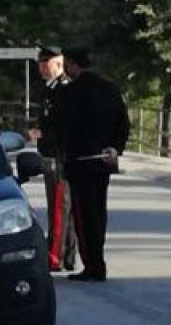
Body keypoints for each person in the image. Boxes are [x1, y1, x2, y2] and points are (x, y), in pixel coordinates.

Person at [55, 47, 130, 282]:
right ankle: (98, 261)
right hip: (104, 161)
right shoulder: (110, 89)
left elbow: (63, 127)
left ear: (72, 64)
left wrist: (60, 154)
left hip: (80, 163)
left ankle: (93, 265)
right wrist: (115, 148)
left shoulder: (70, 93)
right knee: (98, 213)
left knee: (84, 217)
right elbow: (123, 124)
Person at [27, 45, 77, 272]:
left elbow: (67, 126)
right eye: (40, 65)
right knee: (59, 205)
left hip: (60, 156)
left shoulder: (65, 89)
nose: (42, 69)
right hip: (51, 154)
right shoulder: (50, 89)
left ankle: (55, 254)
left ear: (58, 63)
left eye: (45, 65)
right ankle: (66, 253)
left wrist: (44, 134)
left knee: (60, 206)